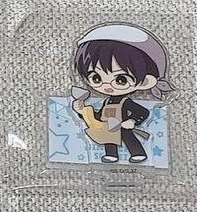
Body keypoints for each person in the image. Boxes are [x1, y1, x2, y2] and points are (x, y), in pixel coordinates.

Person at [70, 24, 173, 163]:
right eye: (96, 78)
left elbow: (142, 112)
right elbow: (98, 117)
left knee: (128, 137)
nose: (107, 86)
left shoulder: (126, 102)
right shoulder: (106, 101)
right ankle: (111, 155)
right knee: (108, 138)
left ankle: (138, 153)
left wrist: (132, 121)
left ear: (145, 81)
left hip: (123, 125)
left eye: (121, 80)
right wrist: (83, 112)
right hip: (108, 127)